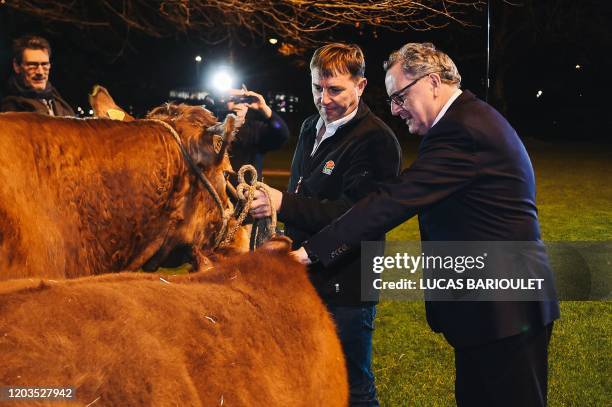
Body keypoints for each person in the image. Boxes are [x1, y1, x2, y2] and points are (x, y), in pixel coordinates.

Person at [292, 42, 560, 406]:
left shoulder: (463, 131)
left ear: (433, 81)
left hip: (506, 311)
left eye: (400, 96)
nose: (395, 109)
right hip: (489, 312)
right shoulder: (465, 121)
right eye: (391, 100)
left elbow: (393, 201)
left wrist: (310, 253)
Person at [250, 43, 402, 406]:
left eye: (335, 89)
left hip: (347, 286)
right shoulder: (308, 126)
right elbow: (302, 189)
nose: (324, 99)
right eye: (318, 88)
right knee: (305, 377)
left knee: (352, 385)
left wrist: (282, 202)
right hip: (300, 276)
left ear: (361, 86)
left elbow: (354, 217)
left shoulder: (376, 140)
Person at [224, 88, 289, 182]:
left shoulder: (256, 130)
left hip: (247, 193)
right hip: (216, 192)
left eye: (242, 99)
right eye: (231, 98)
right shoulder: (212, 129)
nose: (237, 103)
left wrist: (263, 108)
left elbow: (282, 134)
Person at [1, 35, 74, 116]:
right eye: (32, 65)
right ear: (17, 66)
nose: (40, 72)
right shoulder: (11, 108)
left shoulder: (58, 101)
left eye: (44, 64)